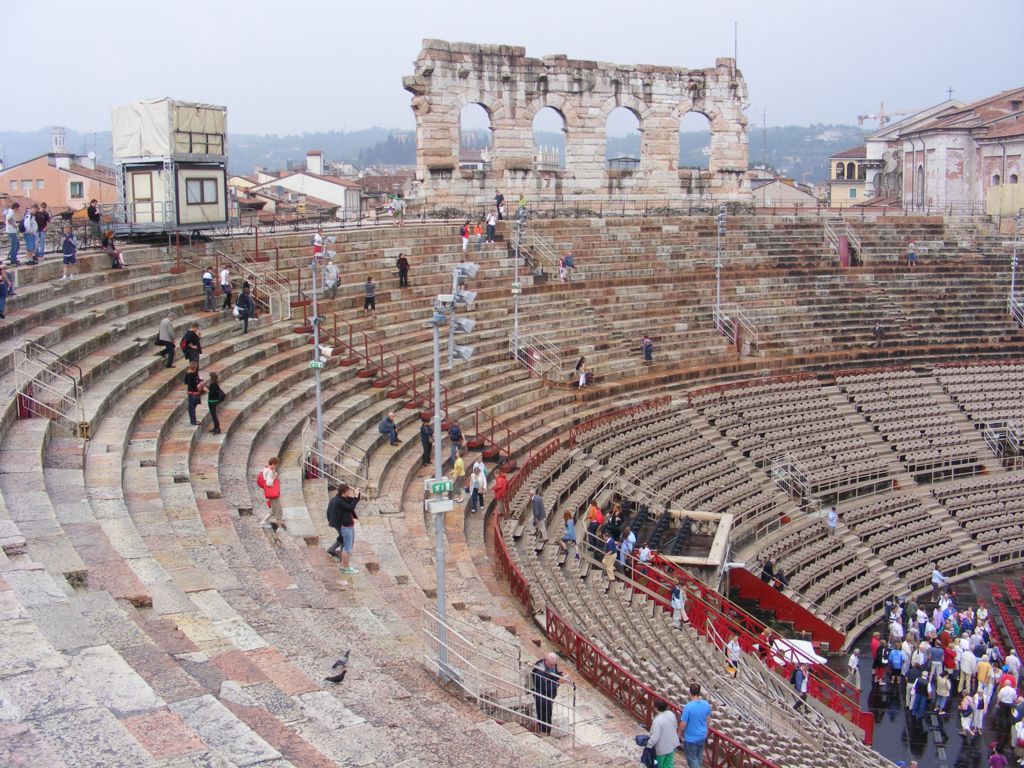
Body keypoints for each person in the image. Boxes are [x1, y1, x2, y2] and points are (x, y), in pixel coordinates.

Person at [326, 483, 361, 574]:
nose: (350, 492)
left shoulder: (340, 498)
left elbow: (353, 501)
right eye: (348, 491)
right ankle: (346, 567)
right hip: (343, 525)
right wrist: (355, 498)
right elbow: (350, 507)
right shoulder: (339, 501)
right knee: (347, 547)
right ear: (344, 492)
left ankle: (340, 561)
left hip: (340, 524)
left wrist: (357, 495)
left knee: (344, 541)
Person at [531, 652, 569, 735]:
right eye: (552, 664)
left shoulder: (551, 665)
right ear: (546, 661)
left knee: (548, 714)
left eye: (554, 664)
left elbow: (552, 675)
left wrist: (560, 674)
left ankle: (545, 731)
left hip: (549, 696)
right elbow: (546, 687)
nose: (553, 666)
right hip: (541, 696)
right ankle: (544, 732)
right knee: (543, 715)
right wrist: (559, 681)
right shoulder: (539, 671)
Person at [678, 682, 711, 768]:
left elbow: (683, 723)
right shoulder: (706, 704)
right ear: (699, 692)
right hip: (702, 736)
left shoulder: (688, 707)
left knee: (692, 760)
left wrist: (679, 733)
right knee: (698, 758)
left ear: (690, 692)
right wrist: (706, 731)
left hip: (691, 738)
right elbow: (708, 720)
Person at [648, 699, 680, 768]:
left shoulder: (657, 720)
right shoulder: (671, 714)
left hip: (662, 748)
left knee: (660, 765)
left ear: (656, 708)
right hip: (672, 744)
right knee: (669, 764)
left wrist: (649, 745)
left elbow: (655, 737)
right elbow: (676, 726)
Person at [256, 457, 283, 531]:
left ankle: (263, 522)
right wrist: (274, 477)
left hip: (269, 493)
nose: (276, 466)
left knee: (273, 510)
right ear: (273, 464)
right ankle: (280, 528)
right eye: (276, 465)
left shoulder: (266, 469)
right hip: (273, 494)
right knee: (278, 510)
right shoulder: (270, 472)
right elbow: (269, 483)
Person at [184, 361, 205, 426]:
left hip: (190, 393)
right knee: (192, 408)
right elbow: (195, 385)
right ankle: (193, 421)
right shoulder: (194, 375)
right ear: (195, 368)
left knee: (191, 408)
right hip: (195, 393)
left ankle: (193, 420)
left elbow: (185, 382)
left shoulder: (187, 374)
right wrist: (199, 381)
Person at [3, 202, 20, 266]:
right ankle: (13, 260)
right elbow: (8, 219)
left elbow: (4, 215)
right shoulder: (11, 212)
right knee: (14, 246)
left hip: (11, 230)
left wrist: (6, 224)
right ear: (15, 207)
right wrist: (14, 225)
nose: (18, 210)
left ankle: (13, 257)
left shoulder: (8, 211)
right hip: (11, 231)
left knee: (17, 245)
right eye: (18, 208)